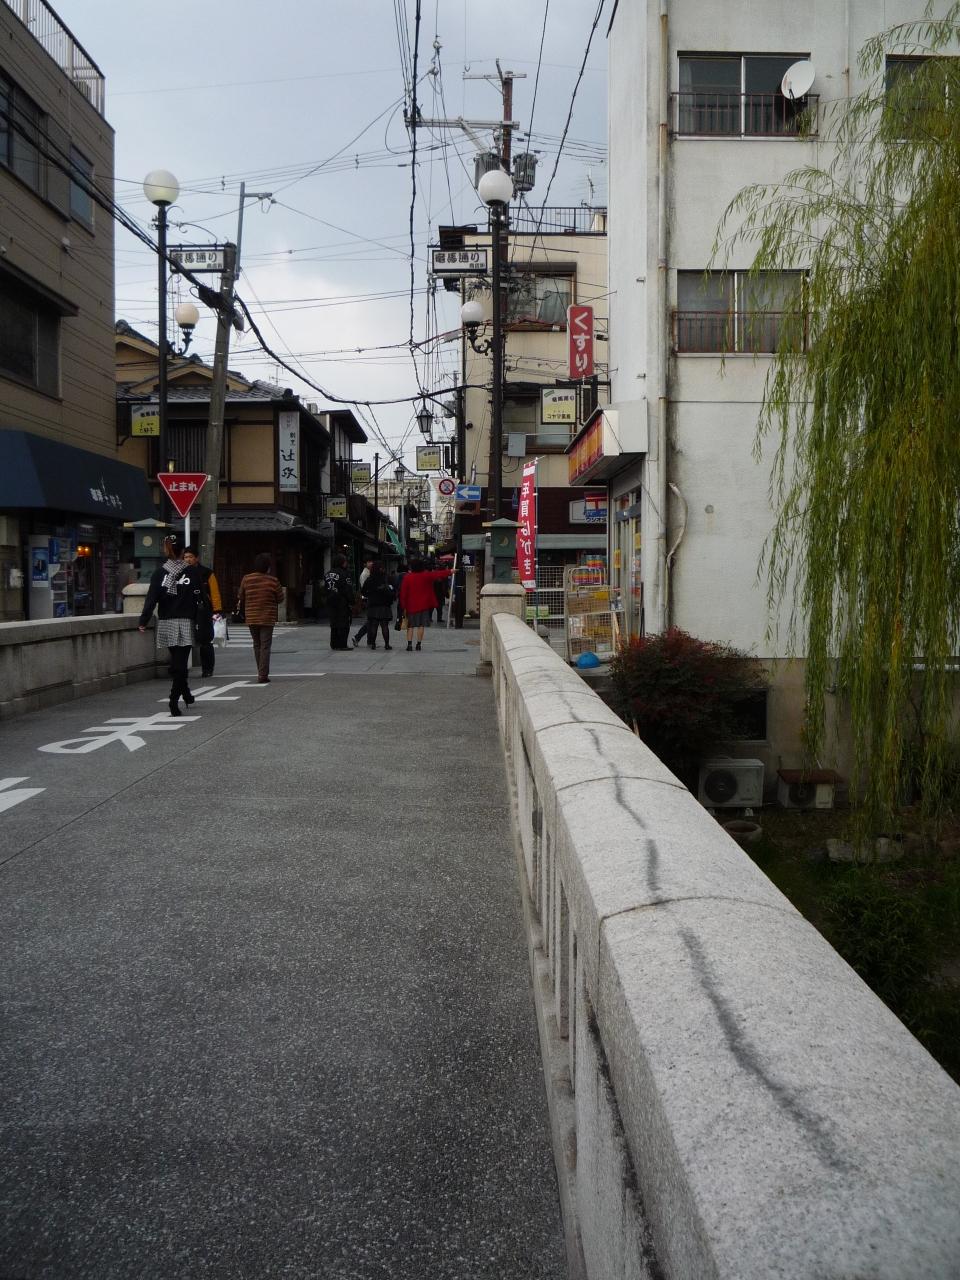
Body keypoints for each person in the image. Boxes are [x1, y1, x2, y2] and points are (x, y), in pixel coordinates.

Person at [137, 533, 207, 716]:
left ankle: (183, 695)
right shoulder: (192, 572)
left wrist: (143, 621)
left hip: (166, 622)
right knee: (180, 664)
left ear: (166, 550)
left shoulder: (160, 573)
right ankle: (174, 700)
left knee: (177, 664)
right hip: (186, 621)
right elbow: (201, 598)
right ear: (183, 551)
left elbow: (151, 599)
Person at [236, 553, 284, 683]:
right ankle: (263, 675)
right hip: (267, 617)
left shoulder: (247, 579)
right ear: (268, 567)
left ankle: (261, 672)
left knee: (257, 644)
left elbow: (241, 596)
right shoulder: (273, 581)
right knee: (265, 646)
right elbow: (280, 598)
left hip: (251, 617)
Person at [398, 557, 452, 652]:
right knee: (421, 625)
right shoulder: (426, 575)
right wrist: (450, 571)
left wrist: (403, 605)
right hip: (423, 605)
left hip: (411, 606)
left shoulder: (407, 577)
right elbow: (437, 574)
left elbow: (403, 593)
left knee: (410, 626)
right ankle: (418, 645)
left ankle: (409, 645)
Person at [183, 545, 222, 678]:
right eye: (185, 557)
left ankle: (208, 669)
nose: (188, 560)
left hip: (203, 611)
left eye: (190, 557)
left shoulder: (207, 573)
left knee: (205, 641)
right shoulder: (181, 573)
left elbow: (214, 593)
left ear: (197, 558)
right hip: (186, 610)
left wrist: (217, 610)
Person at [324, 554, 355, 650]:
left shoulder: (328, 574)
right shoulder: (344, 574)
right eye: (345, 561)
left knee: (333, 623)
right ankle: (342, 644)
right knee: (344, 624)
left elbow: (325, 588)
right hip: (342, 602)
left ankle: (334, 644)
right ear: (341, 562)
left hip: (330, 601)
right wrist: (351, 601)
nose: (346, 563)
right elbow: (347, 589)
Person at [362, 561, 395, 650]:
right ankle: (387, 644)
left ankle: (373, 644)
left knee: (374, 625)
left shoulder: (370, 579)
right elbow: (392, 590)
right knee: (384, 626)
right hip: (384, 605)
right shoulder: (386, 578)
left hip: (373, 605)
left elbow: (363, 591)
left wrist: (370, 594)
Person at [352, 558, 374, 647]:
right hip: (369, 599)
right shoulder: (365, 574)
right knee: (371, 621)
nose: (371, 563)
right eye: (369, 562)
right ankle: (358, 637)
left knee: (371, 621)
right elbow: (365, 588)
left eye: (371, 561)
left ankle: (369, 641)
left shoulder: (369, 573)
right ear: (365, 564)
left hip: (369, 599)